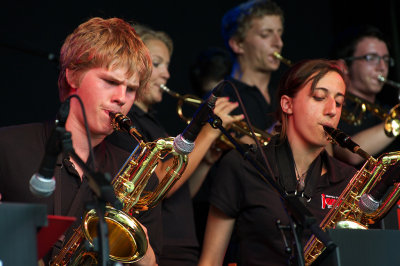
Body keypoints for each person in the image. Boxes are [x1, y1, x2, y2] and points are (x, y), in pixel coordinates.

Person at [0, 17, 160, 265]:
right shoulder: (7, 147)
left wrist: (146, 258)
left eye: (131, 89)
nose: (122, 98)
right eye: (110, 82)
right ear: (72, 75)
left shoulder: (138, 176)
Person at [107, 24, 243, 265]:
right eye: (157, 63)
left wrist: (207, 160)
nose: (167, 74)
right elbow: (157, 184)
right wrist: (207, 135)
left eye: (167, 66)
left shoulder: (153, 123)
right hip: (163, 246)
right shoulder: (126, 123)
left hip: (184, 245)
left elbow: (178, 188)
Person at [198, 59, 357, 265]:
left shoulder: (350, 181)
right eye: (319, 97)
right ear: (287, 104)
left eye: (339, 102)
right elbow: (210, 261)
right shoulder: (242, 164)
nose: (332, 110)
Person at [332, 25, 397, 166]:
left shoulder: (386, 110)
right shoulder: (334, 108)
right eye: (371, 58)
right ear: (345, 66)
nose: (382, 67)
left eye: (386, 59)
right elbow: (350, 154)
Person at [220, 0, 285, 133]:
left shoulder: (282, 96)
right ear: (238, 44)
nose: (279, 43)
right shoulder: (221, 99)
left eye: (280, 33)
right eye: (265, 35)